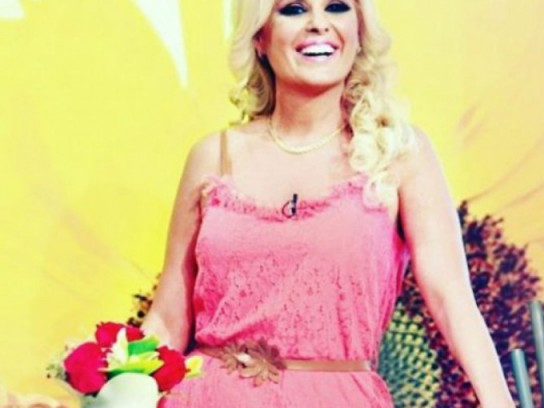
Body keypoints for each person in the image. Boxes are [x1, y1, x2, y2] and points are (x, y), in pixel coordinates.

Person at [142, 0, 515, 406]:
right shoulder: (212, 156)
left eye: (336, 6)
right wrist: (116, 389)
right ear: (260, 37)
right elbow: (168, 317)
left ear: (359, 31)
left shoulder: (398, 154)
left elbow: (450, 298)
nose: (318, 24)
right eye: (293, 9)